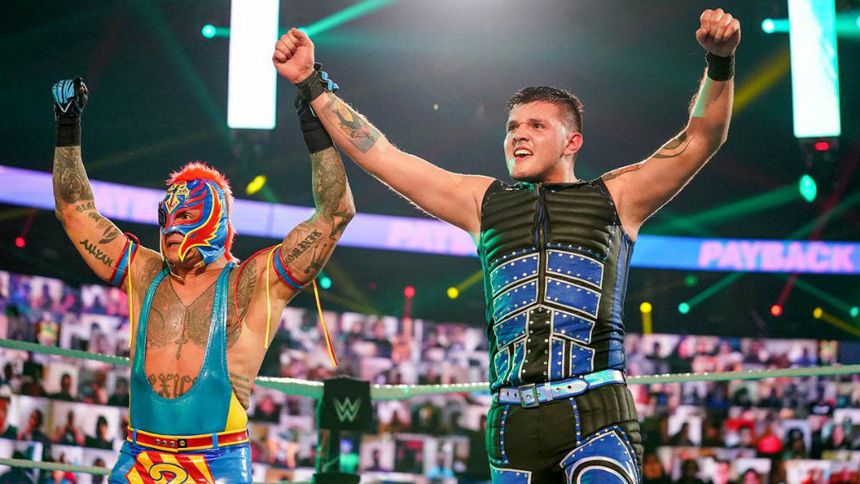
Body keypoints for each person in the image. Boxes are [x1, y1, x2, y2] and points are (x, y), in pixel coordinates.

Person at [273, 7, 739, 483]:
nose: (519, 135)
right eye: (513, 126)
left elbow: (701, 139)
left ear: (572, 141)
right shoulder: (482, 202)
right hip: (510, 423)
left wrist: (719, 61)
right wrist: (312, 82)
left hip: (597, 413)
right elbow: (383, 156)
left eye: (537, 126)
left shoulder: (617, 197)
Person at [50, 75, 355, 482]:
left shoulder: (251, 283)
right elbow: (74, 211)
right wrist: (67, 126)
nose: (172, 228)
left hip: (217, 462)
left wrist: (316, 123)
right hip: (140, 457)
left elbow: (335, 213)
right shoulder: (145, 272)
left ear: (216, 218)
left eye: (187, 215)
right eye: (167, 218)